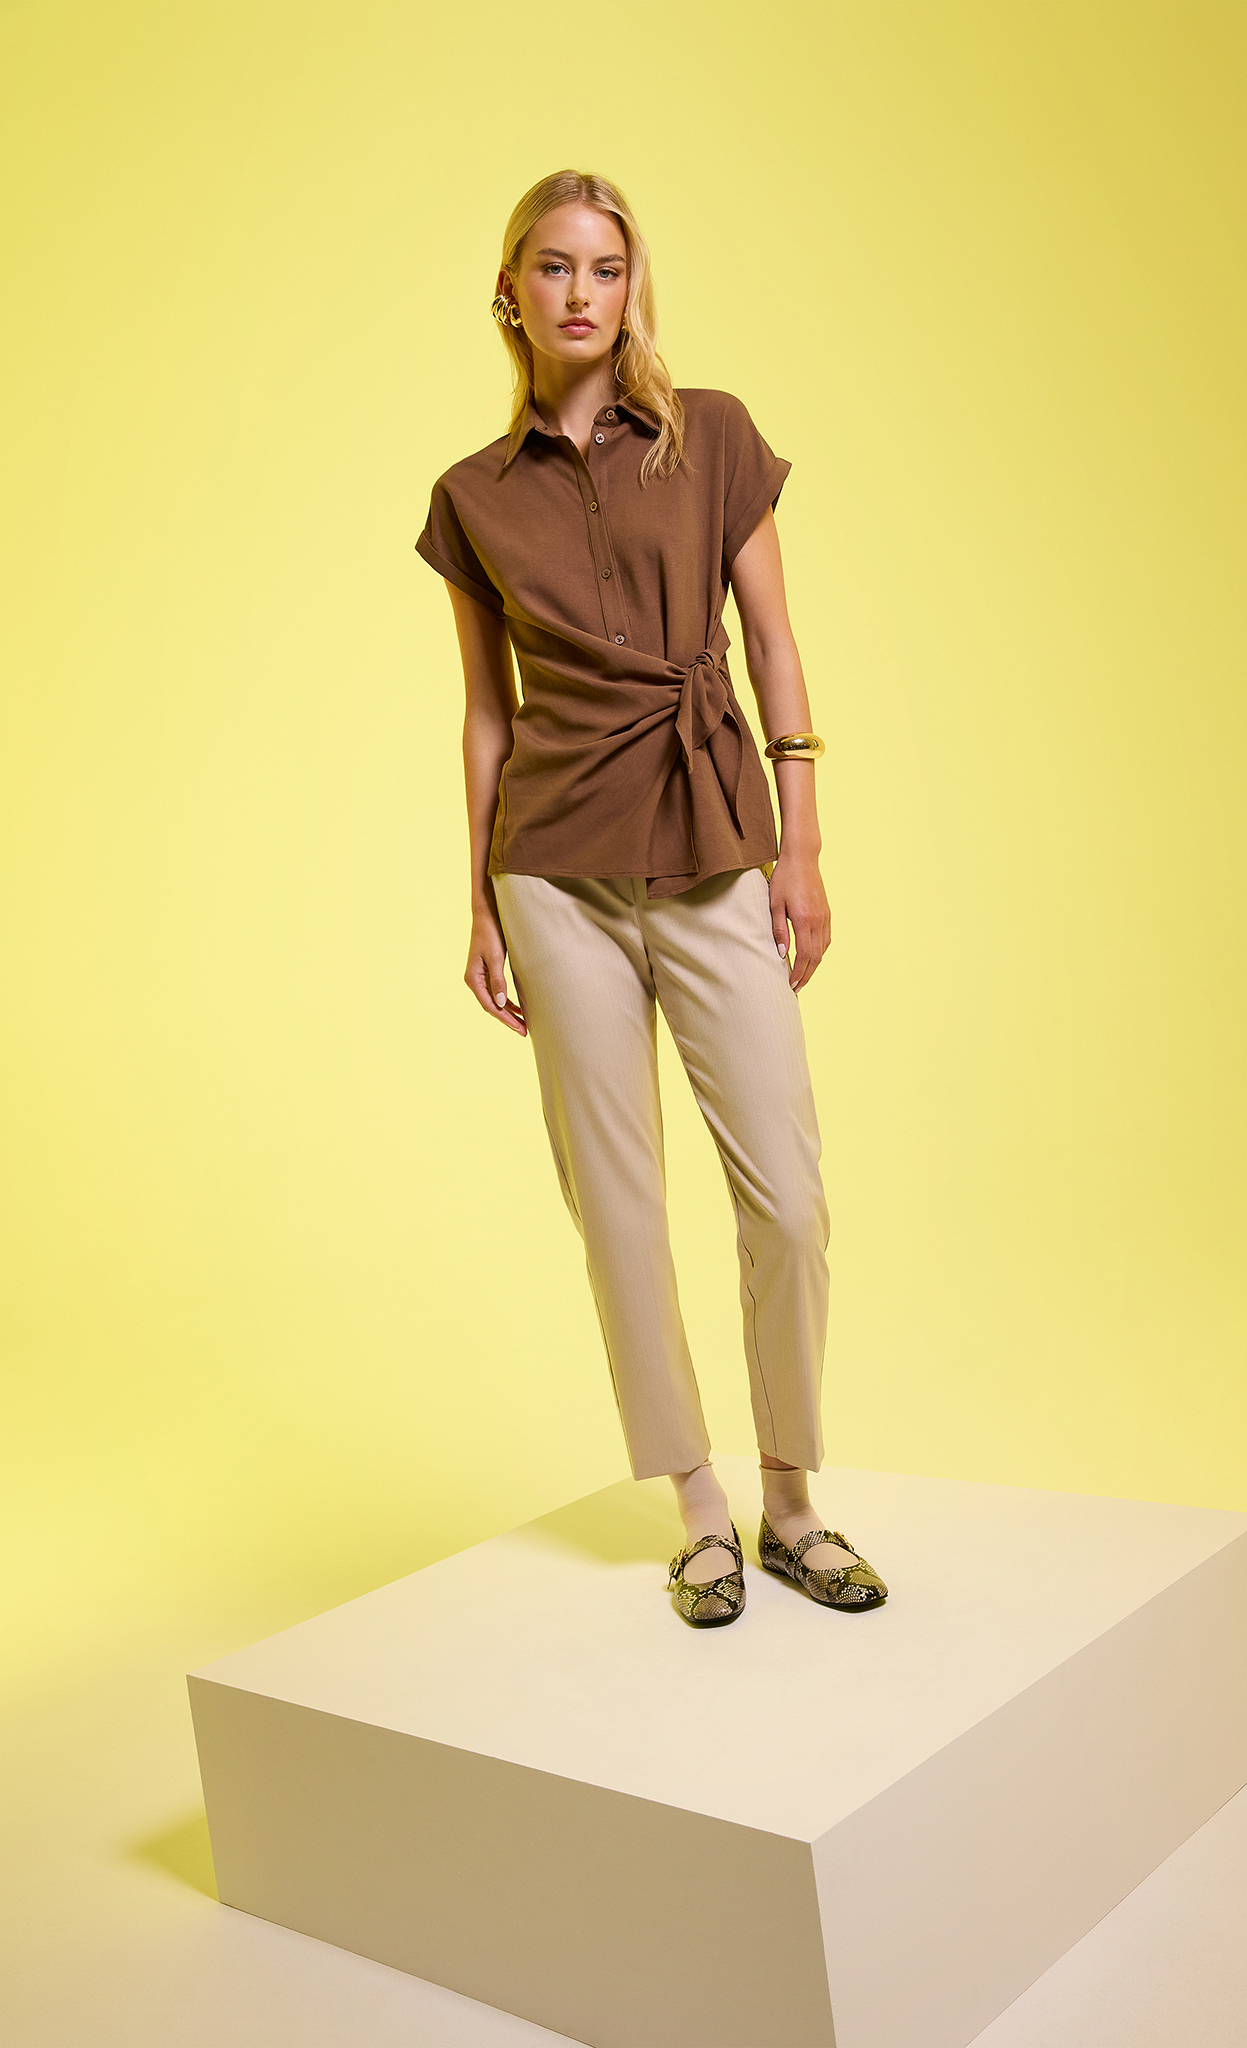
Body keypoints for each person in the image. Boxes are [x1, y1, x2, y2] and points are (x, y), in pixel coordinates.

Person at [416, 169, 887, 1628]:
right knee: (616, 1204)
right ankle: (696, 1508)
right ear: (511, 290)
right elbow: (485, 713)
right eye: (553, 266)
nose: (580, 293)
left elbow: (776, 646)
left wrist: (801, 845)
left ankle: (791, 1501)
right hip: (552, 867)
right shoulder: (472, 497)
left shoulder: (714, 437)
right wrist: (478, 898)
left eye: (605, 268)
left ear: (632, 290)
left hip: (711, 836)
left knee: (787, 1200)